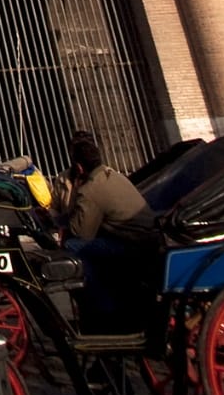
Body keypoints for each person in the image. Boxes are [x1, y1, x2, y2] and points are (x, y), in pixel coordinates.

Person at [60, 131, 156, 328]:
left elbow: (82, 233)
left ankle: (103, 307)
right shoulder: (113, 175)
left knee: (74, 246)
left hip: (133, 245)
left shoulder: (91, 188)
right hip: (146, 239)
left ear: (78, 167)